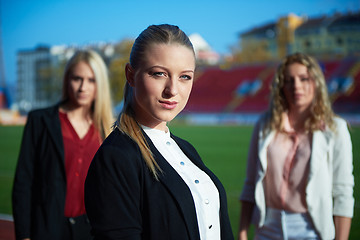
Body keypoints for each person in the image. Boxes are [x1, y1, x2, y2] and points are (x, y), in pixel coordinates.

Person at [84, 24, 234, 240]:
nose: (172, 90)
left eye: (185, 77)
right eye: (159, 74)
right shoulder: (116, 158)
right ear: (130, 75)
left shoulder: (186, 149)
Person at [238, 52, 354, 240]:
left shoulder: (335, 129)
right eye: (289, 80)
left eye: (304, 79)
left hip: (311, 229)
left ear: (316, 83)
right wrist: (242, 233)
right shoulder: (265, 125)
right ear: (281, 86)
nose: (296, 86)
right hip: (267, 228)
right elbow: (251, 183)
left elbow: (343, 192)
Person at [12, 49, 114, 240]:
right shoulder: (40, 120)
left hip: (91, 231)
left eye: (91, 80)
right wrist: (24, 235)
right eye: (77, 78)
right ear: (67, 80)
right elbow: (23, 182)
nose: (83, 87)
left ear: (100, 85)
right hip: (47, 228)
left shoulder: (108, 128)